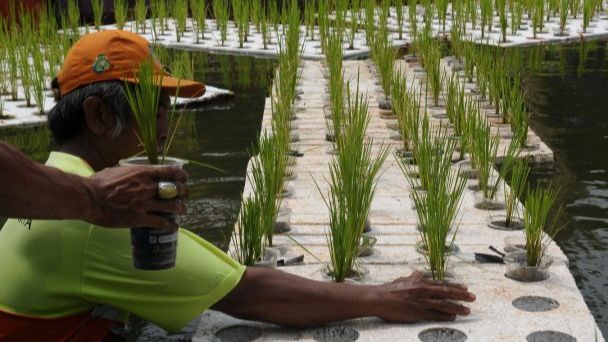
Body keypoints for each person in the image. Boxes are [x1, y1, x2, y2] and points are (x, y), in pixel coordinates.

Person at [0, 30, 475, 341]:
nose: (166, 124)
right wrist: (385, 298)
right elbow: (247, 293)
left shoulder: (45, 185)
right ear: (98, 115)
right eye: (156, 107)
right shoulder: (95, 222)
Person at [0, 141, 188, 230]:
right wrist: (95, 197)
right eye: (156, 113)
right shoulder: (118, 214)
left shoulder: (52, 169)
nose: (164, 132)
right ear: (98, 114)